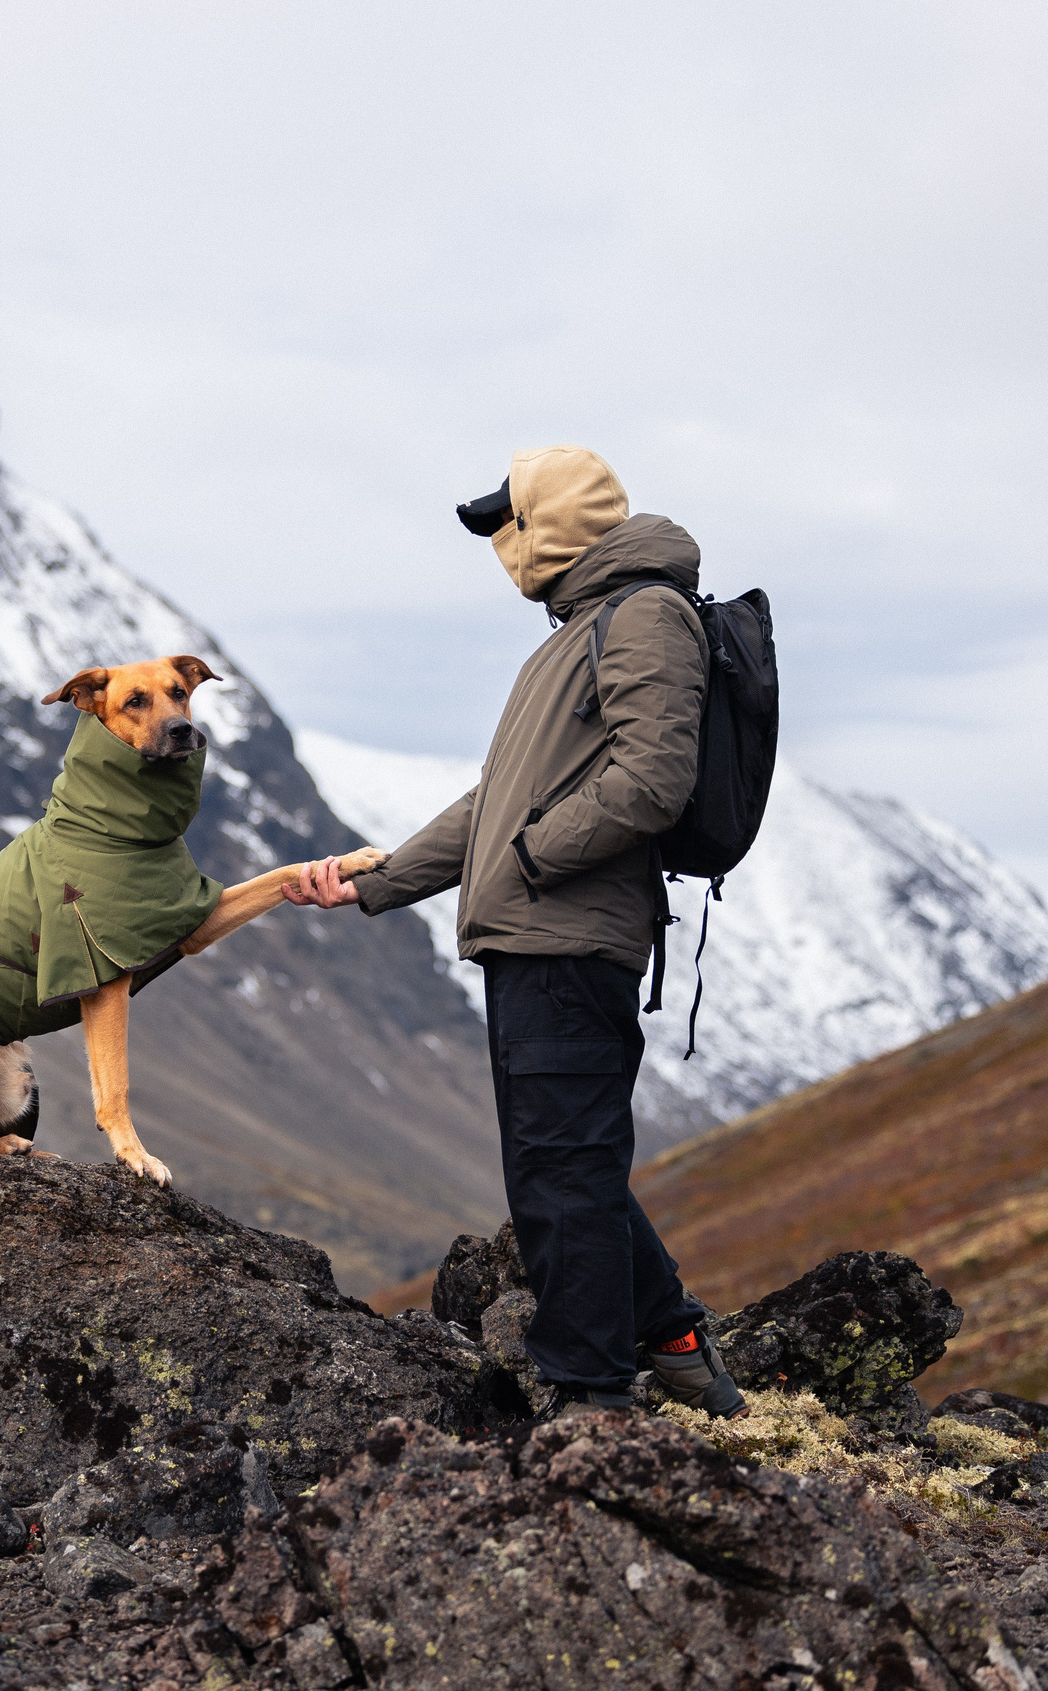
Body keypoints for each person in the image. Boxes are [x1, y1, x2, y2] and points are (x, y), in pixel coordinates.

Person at [286, 446, 745, 1420]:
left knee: (562, 1174)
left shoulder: (644, 618)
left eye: (511, 523)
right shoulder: (583, 627)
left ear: (554, 522)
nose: (502, 546)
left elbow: (652, 780)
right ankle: (670, 1340)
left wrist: (534, 856)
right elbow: (494, 804)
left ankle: (589, 1401)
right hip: (536, 938)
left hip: (571, 940)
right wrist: (376, 882)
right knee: (563, 1160)